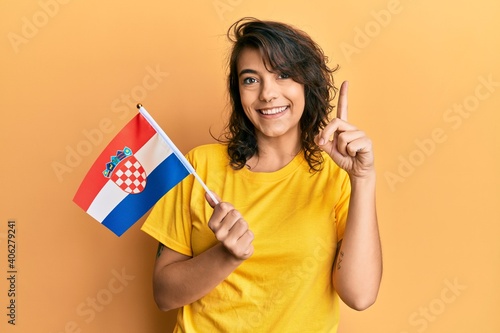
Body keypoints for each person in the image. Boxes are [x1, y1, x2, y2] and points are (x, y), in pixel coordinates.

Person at [141, 17, 382, 332]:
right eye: (251, 80)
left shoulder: (336, 176)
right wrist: (226, 256)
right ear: (238, 92)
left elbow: (360, 295)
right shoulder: (197, 166)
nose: (267, 94)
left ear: (307, 84)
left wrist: (363, 179)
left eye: (283, 74)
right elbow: (164, 295)